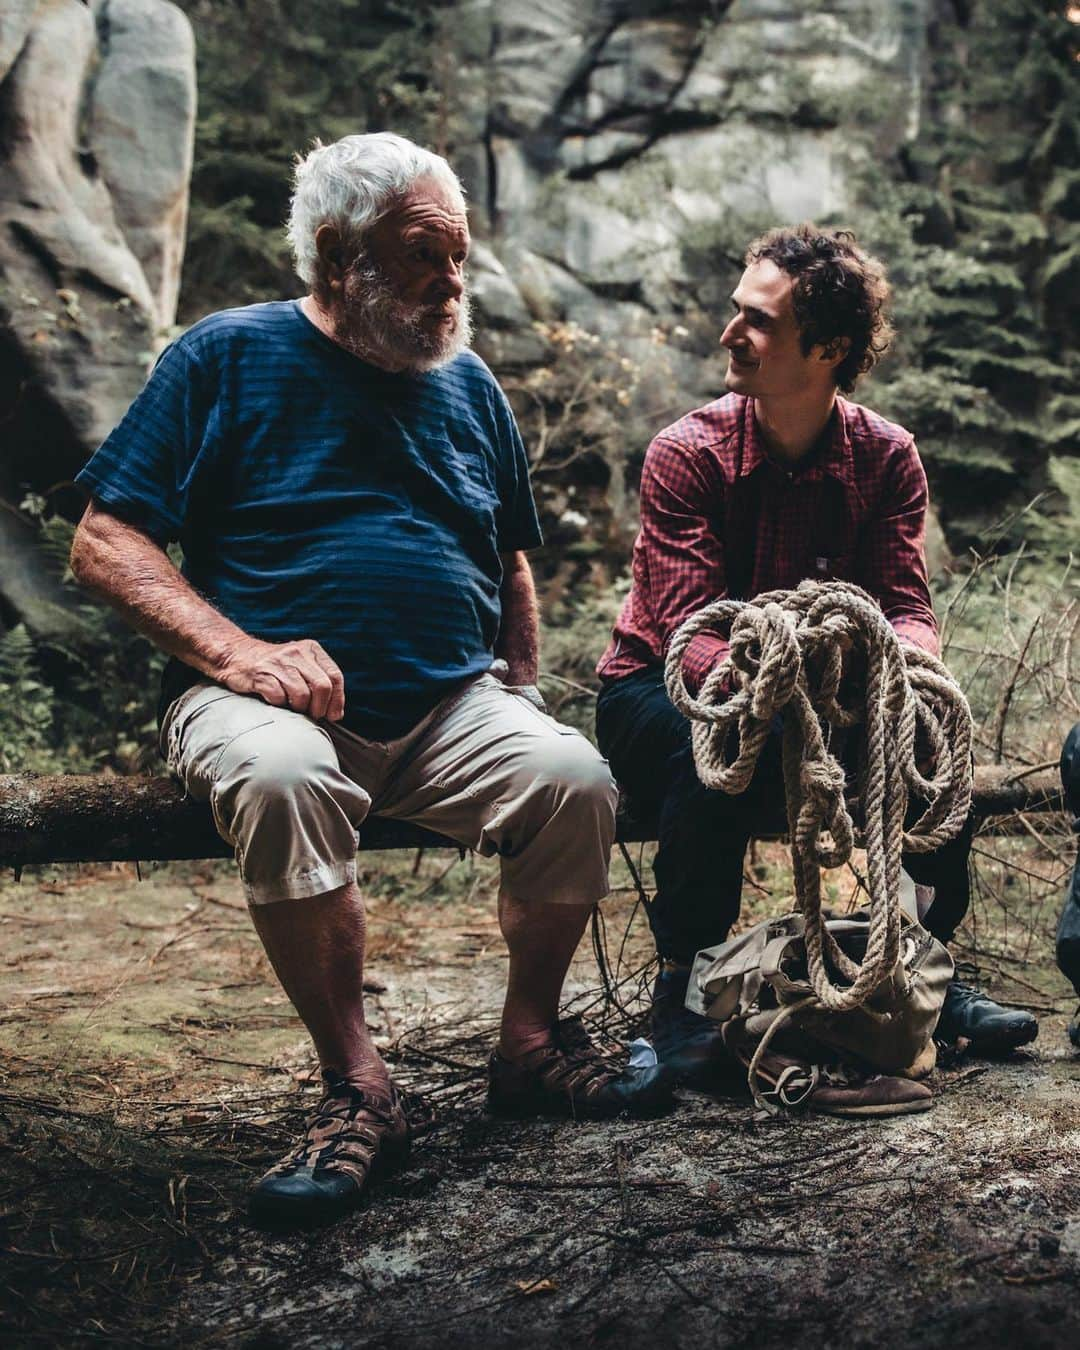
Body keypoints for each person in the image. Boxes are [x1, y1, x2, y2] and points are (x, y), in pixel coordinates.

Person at [69, 132, 674, 1229]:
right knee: (281, 777)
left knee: (575, 778)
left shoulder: (471, 384)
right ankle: (360, 1087)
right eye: (420, 253)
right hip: (260, 701)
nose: (453, 279)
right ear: (338, 253)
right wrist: (238, 655)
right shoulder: (223, 357)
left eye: (459, 253)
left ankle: (531, 1045)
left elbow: (508, 558)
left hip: (451, 702)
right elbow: (107, 542)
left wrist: (519, 687)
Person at [595, 224, 1038, 1086]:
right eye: (737, 313)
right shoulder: (687, 455)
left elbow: (905, 604)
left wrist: (904, 670)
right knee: (715, 757)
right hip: (666, 687)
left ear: (829, 349)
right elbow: (696, 635)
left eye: (757, 322)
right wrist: (778, 686)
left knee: (923, 738)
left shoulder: (885, 456)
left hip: (820, 689)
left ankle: (925, 974)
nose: (731, 334)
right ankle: (683, 992)